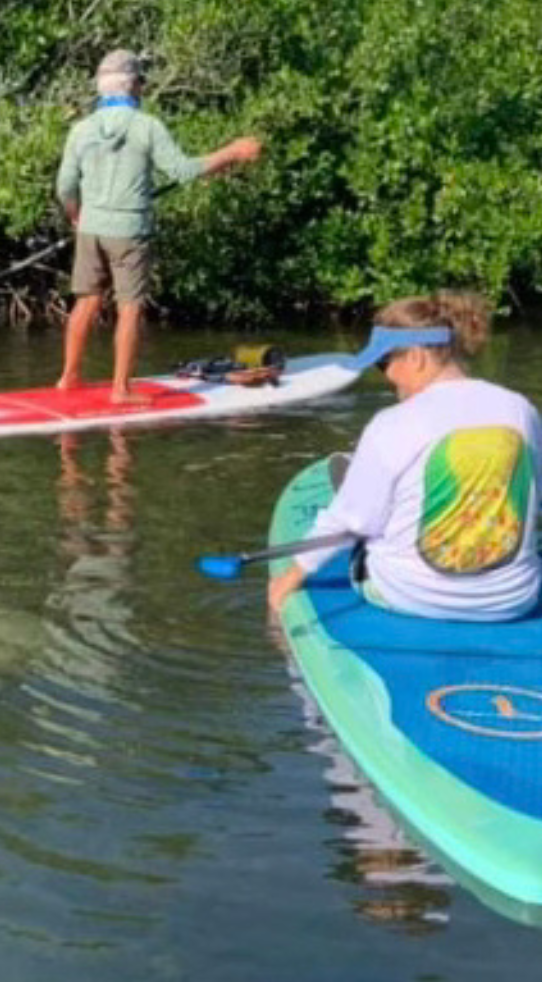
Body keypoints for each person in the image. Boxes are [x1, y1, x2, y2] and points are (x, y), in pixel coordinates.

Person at [268, 292, 542, 621]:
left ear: (416, 357)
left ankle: (361, 482)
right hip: (513, 600)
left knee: (365, 526)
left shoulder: (392, 423)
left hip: (411, 597)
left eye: (384, 363)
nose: (386, 376)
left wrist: (289, 579)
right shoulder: (520, 409)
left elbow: (348, 523)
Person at [55, 48, 263, 405]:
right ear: (133, 86)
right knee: (130, 307)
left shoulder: (81, 130)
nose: (143, 87)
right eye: (141, 81)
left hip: (90, 229)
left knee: (86, 301)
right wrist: (232, 153)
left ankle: (69, 378)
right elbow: (183, 171)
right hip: (129, 231)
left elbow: (65, 187)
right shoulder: (147, 126)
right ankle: (121, 390)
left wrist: (76, 215)